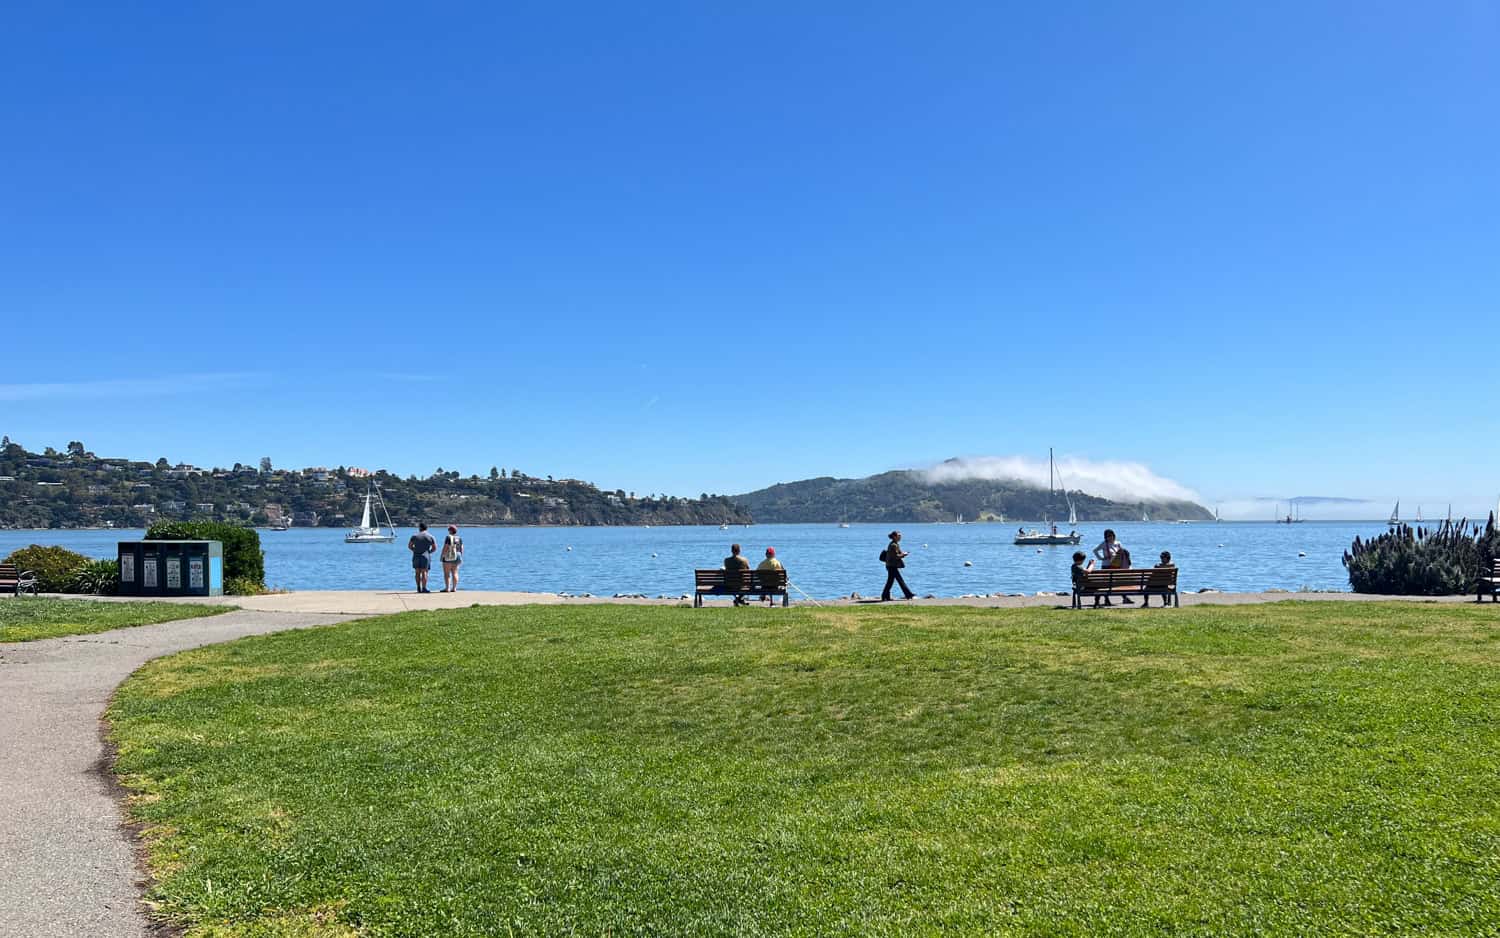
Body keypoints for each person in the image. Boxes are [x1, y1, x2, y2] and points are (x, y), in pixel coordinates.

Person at [881, 530, 915, 601]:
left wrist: (903, 553)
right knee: (900, 580)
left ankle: (885, 596)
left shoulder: (895, 544)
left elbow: (897, 554)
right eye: (898, 536)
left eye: (900, 536)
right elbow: (896, 556)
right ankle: (908, 594)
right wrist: (904, 554)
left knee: (890, 582)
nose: (900, 537)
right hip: (891, 566)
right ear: (894, 537)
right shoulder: (893, 545)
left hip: (891, 565)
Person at [407, 522, 437, 593]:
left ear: (420, 528)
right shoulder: (430, 537)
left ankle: (418, 587)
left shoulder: (414, 536)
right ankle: (424, 588)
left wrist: (415, 550)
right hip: (425, 555)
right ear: (426, 528)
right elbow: (434, 548)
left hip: (416, 555)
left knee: (417, 572)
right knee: (424, 572)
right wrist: (428, 552)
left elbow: (409, 546)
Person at [440, 524, 464, 592]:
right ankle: (454, 588)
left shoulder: (448, 537)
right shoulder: (459, 538)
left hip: (449, 555)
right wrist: (461, 555)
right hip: (458, 555)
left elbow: (446, 547)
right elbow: (462, 548)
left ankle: (447, 588)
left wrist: (442, 556)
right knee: (455, 572)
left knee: (447, 573)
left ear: (450, 530)